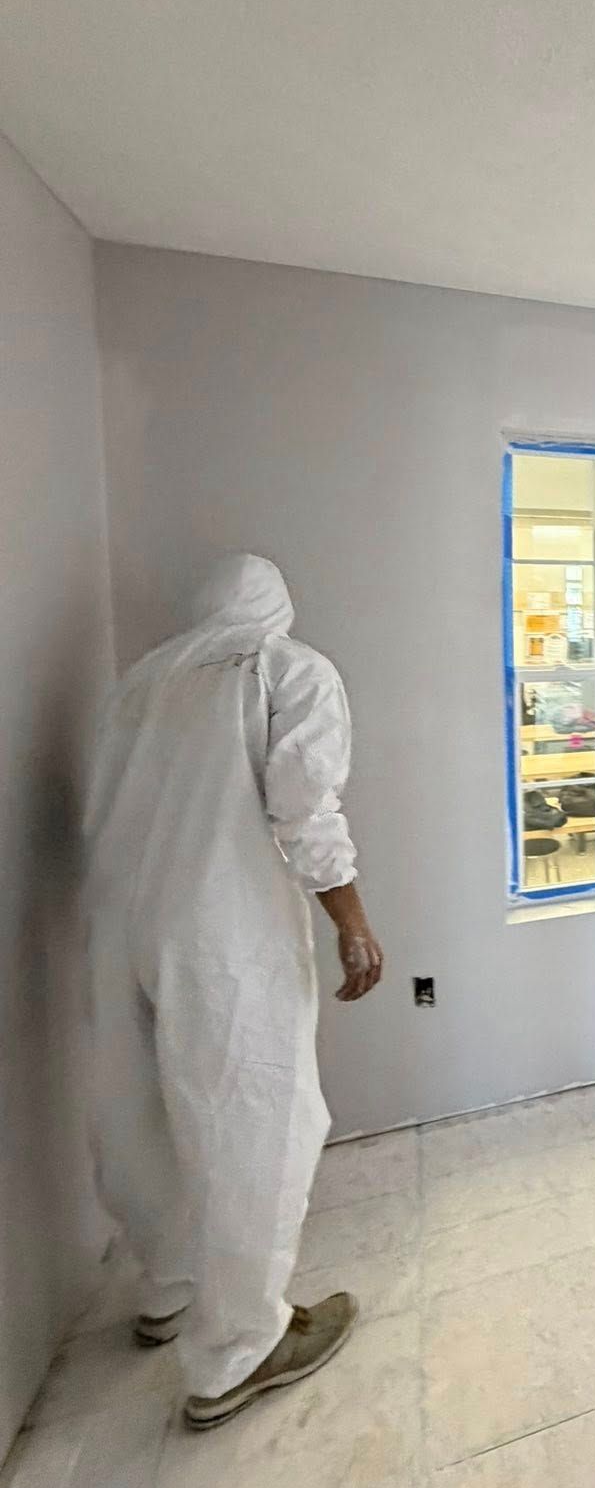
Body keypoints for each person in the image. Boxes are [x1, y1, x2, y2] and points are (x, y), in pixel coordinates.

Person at [84, 554, 384, 1431]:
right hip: (224, 933)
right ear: (276, 607)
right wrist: (352, 920)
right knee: (256, 1119)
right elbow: (305, 809)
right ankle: (239, 1350)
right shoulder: (286, 670)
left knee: (141, 1111)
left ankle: (169, 1287)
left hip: (119, 927)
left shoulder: (138, 684)